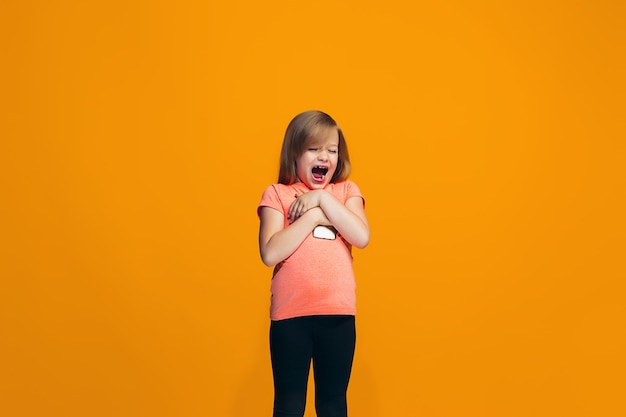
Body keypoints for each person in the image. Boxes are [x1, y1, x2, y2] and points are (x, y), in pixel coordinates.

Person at [258, 110, 370, 417]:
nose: (325, 156)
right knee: (289, 405)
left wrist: (323, 201)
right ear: (294, 153)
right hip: (290, 318)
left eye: (331, 150)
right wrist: (313, 216)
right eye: (314, 149)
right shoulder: (278, 194)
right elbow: (270, 253)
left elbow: (361, 236)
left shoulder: (345, 192)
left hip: (338, 315)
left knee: (333, 404)